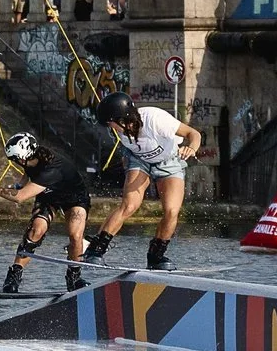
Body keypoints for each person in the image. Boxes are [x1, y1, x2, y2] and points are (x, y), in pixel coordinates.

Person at [83, 93, 204, 272]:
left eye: (111, 124)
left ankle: (156, 256)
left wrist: (191, 148)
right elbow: (130, 148)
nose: (111, 128)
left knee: (171, 211)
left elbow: (193, 134)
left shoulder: (155, 119)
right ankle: (95, 250)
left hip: (169, 161)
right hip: (139, 160)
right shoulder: (122, 128)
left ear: (121, 118)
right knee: (130, 205)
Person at [0, 133, 93, 296]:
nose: (14, 162)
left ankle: (74, 277)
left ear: (22, 157)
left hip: (75, 199)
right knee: (36, 231)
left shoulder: (51, 170)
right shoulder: (32, 158)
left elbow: (19, 198)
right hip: (49, 196)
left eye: (15, 160)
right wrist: (14, 185)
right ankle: (14, 276)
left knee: (75, 236)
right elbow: (25, 178)